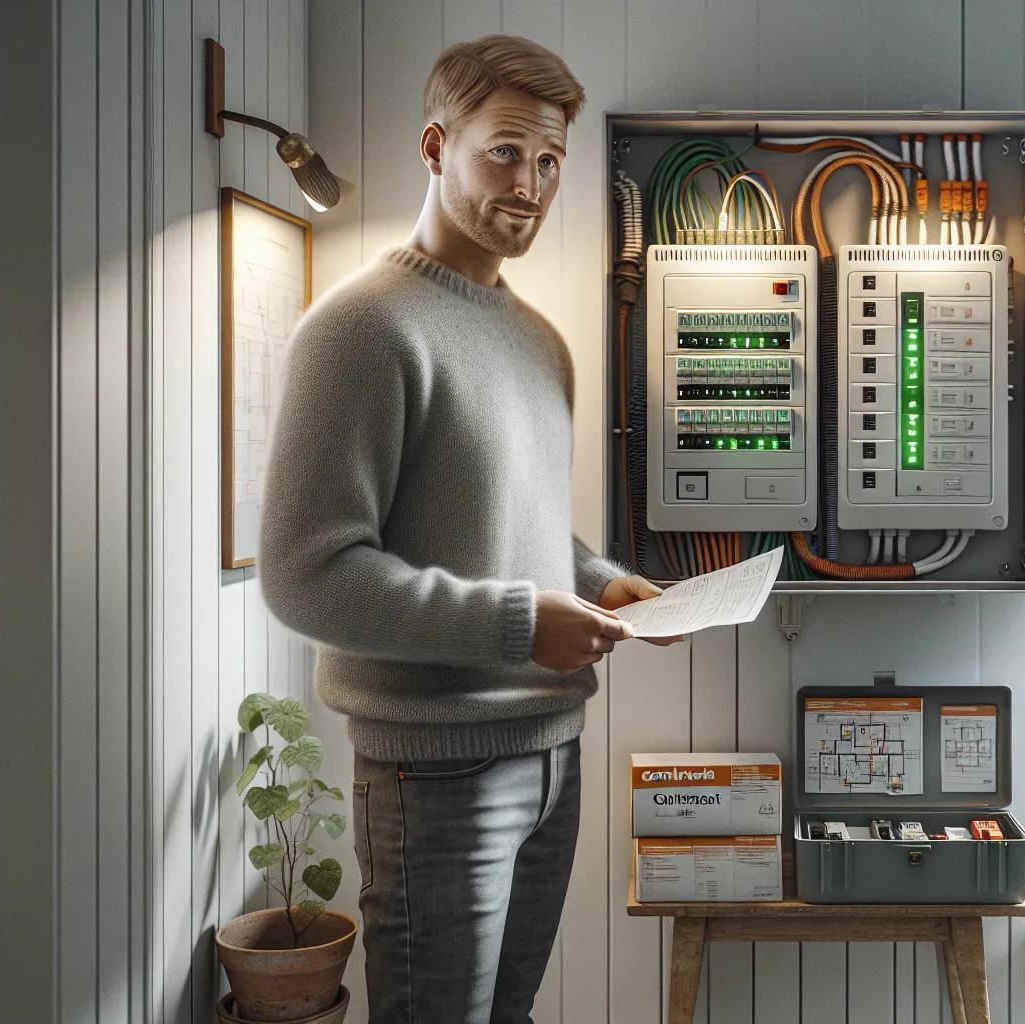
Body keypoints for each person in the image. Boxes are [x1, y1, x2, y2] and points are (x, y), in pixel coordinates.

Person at [258, 35, 678, 1024]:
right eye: (504, 152)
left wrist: (601, 577)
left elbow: (516, 528)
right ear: (436, 145)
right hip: (435, 769)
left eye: (548, 161)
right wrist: (515, 624)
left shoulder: (537, 340)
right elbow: (306, 573)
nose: (529, 183)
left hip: (554, 752)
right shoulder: (362, 329)